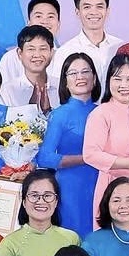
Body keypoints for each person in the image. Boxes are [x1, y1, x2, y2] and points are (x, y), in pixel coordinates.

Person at [36, 51, 103, 234]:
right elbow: (45, 158)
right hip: (71, 188)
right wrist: (87, 158)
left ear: (94, 78)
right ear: (65, 82)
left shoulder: (104, 112)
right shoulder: (60, 114)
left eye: (85, 71)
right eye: (73, 73)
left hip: (103, 184)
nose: (80, 77)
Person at [0, 170, 81, 256]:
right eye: (34, 196)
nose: (41, 201)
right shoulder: (10, 243)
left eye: (48, 196)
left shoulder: (72, 239)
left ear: (56, 201)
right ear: (24, 202)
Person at [84, 55, 129, 208]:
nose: (124, 85)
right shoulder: (101, 113)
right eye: (118, 79)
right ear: (108, 82)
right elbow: (90, 154)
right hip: (113, 187)